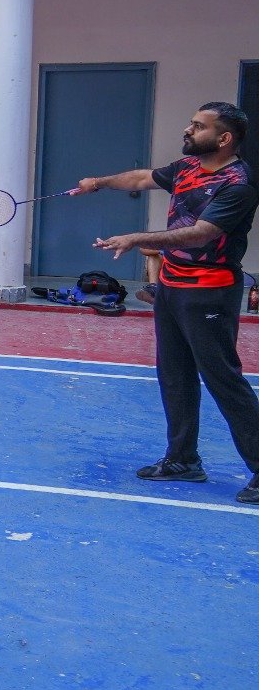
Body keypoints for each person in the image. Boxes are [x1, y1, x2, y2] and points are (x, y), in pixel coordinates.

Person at [77, 102, 259, 504]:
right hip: (173, 286)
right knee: (174, 375)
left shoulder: (238, 183)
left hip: (210, 290)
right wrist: (99, 182)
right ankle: (182, 459)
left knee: (223, 379)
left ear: (224, 138)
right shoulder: (187, 167)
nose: (188, 130)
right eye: (191, 123)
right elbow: (143, 177)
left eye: (198, 126)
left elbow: (201, 233)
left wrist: (136, 238)